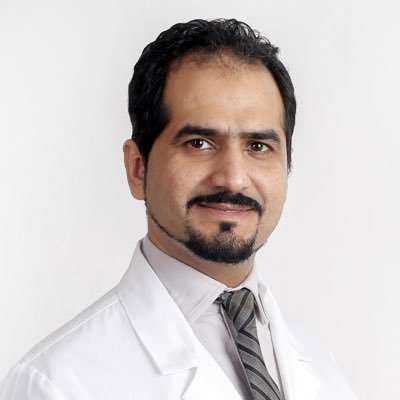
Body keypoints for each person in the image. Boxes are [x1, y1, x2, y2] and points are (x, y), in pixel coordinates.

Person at [0, 18, 357, 400]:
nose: (233, 179)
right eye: (199, 143)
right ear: (138, 169)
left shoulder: (319, 364)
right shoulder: (56, 382)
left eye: (258, 147)